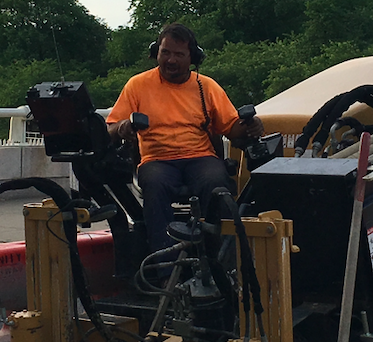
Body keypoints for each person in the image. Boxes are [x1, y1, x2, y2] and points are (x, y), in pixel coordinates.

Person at [106, 23, 264, 251]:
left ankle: (219, 262)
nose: (171, 60)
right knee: (155, 185)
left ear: (193, 58)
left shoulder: (207, 87)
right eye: (165, 52)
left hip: (200, 158)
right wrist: (122, 127)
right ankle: (164, 267)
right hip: (157, 160)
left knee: (216, 184)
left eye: (179, 54)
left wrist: (251, 125)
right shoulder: (137, 85)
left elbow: (231, 127)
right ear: (156, 52)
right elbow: (109, 128)